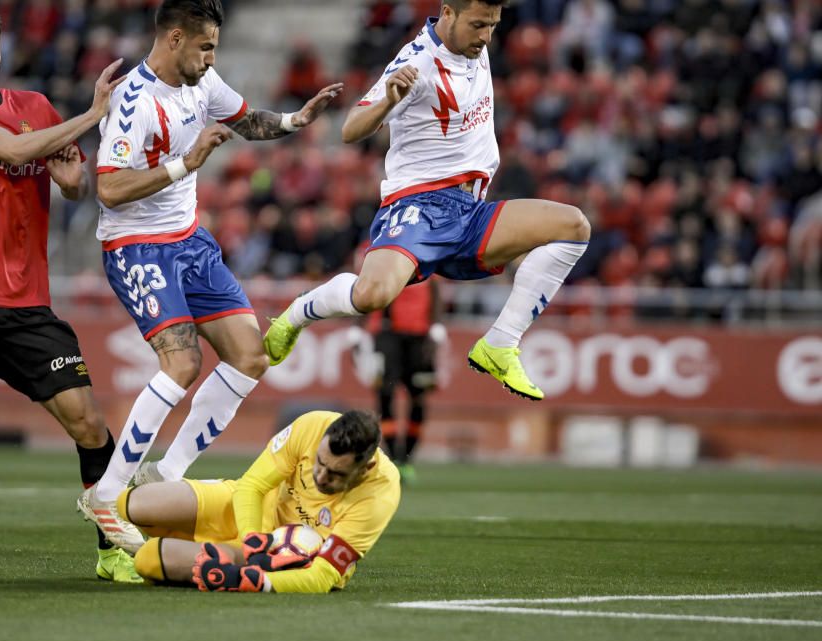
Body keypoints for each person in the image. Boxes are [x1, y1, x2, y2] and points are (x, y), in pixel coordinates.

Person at [76, 0, 343, 552]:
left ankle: (167, 475)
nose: (211, 57)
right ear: (174, 39)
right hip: (137, 246)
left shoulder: (202, 81)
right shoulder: (133, 101)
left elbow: (246, 120)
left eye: (214, 47)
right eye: (205, 47)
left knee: (251, 354)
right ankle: (106, 494)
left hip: (190, 241)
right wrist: (185, 165)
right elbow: (109, 189)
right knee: (183, 363)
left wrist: (297, 119)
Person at [0, 5, 139, 583]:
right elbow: (15, 152)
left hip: (24, 302)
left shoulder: (35, 109)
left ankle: (111, 550)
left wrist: (71, 178)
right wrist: (91, 114)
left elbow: (72, 179)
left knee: (88, 423)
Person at [263, 0, 591, 401]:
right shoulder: (417, 63)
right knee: (373, 296)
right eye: (478, 25)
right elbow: (350, 129)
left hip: (470, 211)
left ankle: (501, 343)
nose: (486, 37)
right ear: (448, 13)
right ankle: (297, 313)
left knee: (573, 226)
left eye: (493, 26)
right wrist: (387, 100)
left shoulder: (475, 43)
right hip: (418, 206)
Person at [84, 410, 400, 593]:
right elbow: (252, 486)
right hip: (247, 517)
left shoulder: (380, 492)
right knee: (132, 503)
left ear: (365, 466)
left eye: (335, 474)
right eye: (319, 463)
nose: (321, 476)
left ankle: (208, 556)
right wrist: (252, 536)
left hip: (276, 558)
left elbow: (324, 575)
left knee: (147, 561)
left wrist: (254, 580)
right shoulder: (311, 425)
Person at [367, 278, 445, 483]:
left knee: (418, 397)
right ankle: (394, 457)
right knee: (385, 394)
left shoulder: (427, 254)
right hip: (386, 335)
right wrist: (358, 327)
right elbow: (365, 288)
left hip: (419, 337)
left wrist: (436, 325)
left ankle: (406, 457)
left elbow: (435, 290)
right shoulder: (383, 252)